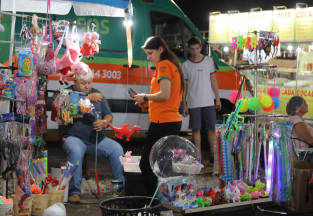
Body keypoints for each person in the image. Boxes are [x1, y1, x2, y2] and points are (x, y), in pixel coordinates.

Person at [59, 68, 125, 202]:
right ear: (75, 82)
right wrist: (87, 98)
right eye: (83, 83)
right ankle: (74, 192)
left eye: (89, 83)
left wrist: (104, 123)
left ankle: (120, 190)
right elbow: (64, 109)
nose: (87, 86)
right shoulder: (66, 92)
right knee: (76, 151)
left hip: (96, 140)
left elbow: (109, 116)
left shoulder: (97, 94)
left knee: (117, 149)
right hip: (73, 138)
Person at [133, 36, 184, 197]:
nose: (148, 57)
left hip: (163, 122)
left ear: (160, 50)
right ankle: (165, 202)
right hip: (171, 121)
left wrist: (146, 97)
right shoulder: (174, 65)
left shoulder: (163, 65)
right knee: (164, 166)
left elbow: (165, 94)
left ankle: (152, 203)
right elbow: (167, 96)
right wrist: (148, 102)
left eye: (150, 53)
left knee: (146, 165)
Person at [182, 36, 221, 165]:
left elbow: (213, 81)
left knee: (211, 128)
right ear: (188, 49)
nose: (195, 51)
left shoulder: (209, 61)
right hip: (193, 103)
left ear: (201, 48)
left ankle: (212, 156)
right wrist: (184, 105)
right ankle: (198, 158)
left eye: (197, 48)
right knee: (196, 130)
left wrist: (217, 98)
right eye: (192, 49)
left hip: (209, 101)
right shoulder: (185, 65)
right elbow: (184, 87)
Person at [286, 96, 313, 162]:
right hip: (307, 155)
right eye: (304, 103)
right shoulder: (298, 123)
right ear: (298, 108)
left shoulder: (295, 120)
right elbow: (310, 141)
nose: (307, 105)